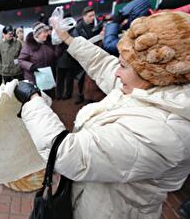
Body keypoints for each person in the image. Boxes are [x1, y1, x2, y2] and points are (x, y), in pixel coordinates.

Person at [14, 11, 190, 219]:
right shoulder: (150, 88)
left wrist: (33, 101)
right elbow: (104, 65)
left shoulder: (165, 130)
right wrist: (68, 39)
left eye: (123, 66)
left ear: (153, 74)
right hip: (95, 199)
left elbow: (68, 155)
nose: (117, 72)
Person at [19, 22, 61, 99]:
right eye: (44, 32)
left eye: (46, 32)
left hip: (48, 77)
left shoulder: (48, 43)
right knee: (39, 99)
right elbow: (21, 60)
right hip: (34, 78)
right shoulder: (28, 46)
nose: (47, 34)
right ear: (37, 34)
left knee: (49, 97)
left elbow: (55, 55)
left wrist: (58, 45)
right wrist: (31, 66)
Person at [72, 6, 101, 104]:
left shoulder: (98, 25)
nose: (93, 17)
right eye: (90, 16)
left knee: (93, 77)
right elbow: (76, 44)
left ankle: (91, 96)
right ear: (84, 16)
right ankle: (80, 95)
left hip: (95, 55)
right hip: (83, 56)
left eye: (93, 15)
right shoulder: (77, 28)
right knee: (80, 78)